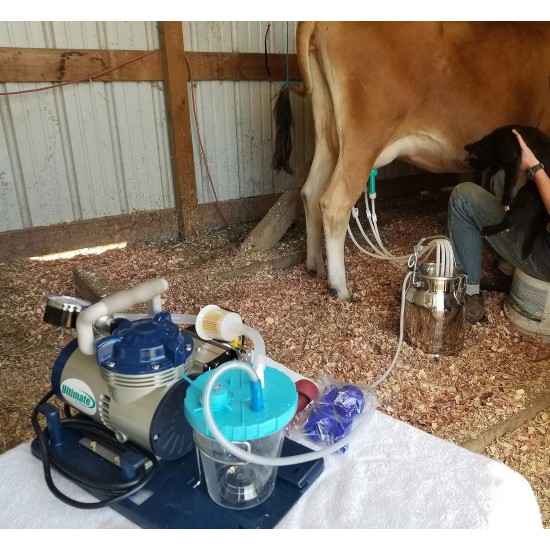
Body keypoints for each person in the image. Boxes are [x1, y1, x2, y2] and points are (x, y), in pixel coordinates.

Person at [447, 129, 550, 323]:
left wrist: (535, 168)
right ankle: (506, 272)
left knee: (463, 197)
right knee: (503, 178)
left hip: (543, 256)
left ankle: (468, 292)